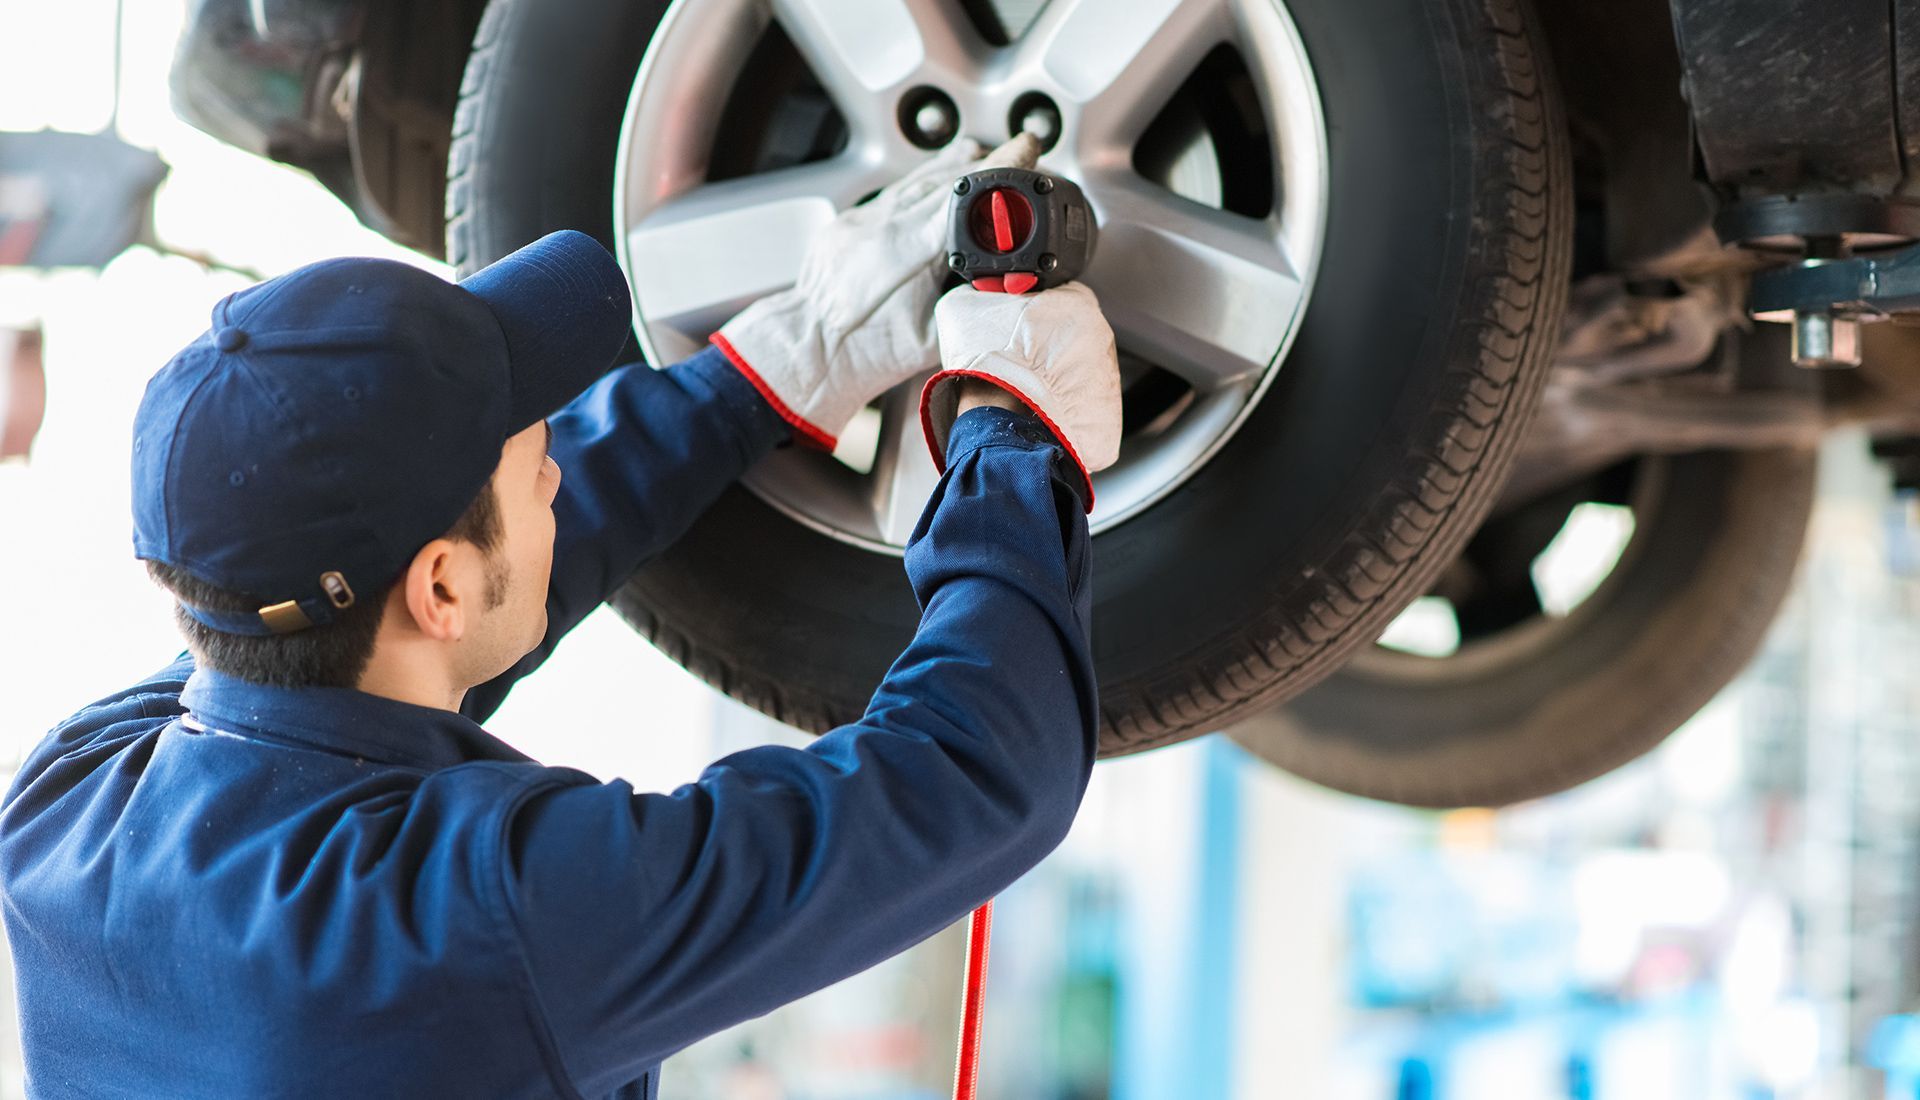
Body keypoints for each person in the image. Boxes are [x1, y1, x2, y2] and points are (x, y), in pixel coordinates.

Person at [0, 132, 1122, 1099]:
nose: (556, 472)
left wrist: (764, 375)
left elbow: (388, 647)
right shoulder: (481, 923)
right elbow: (975, 774)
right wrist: (1012, 434)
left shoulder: (71, 801)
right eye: (535, 449)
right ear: (438, 586)